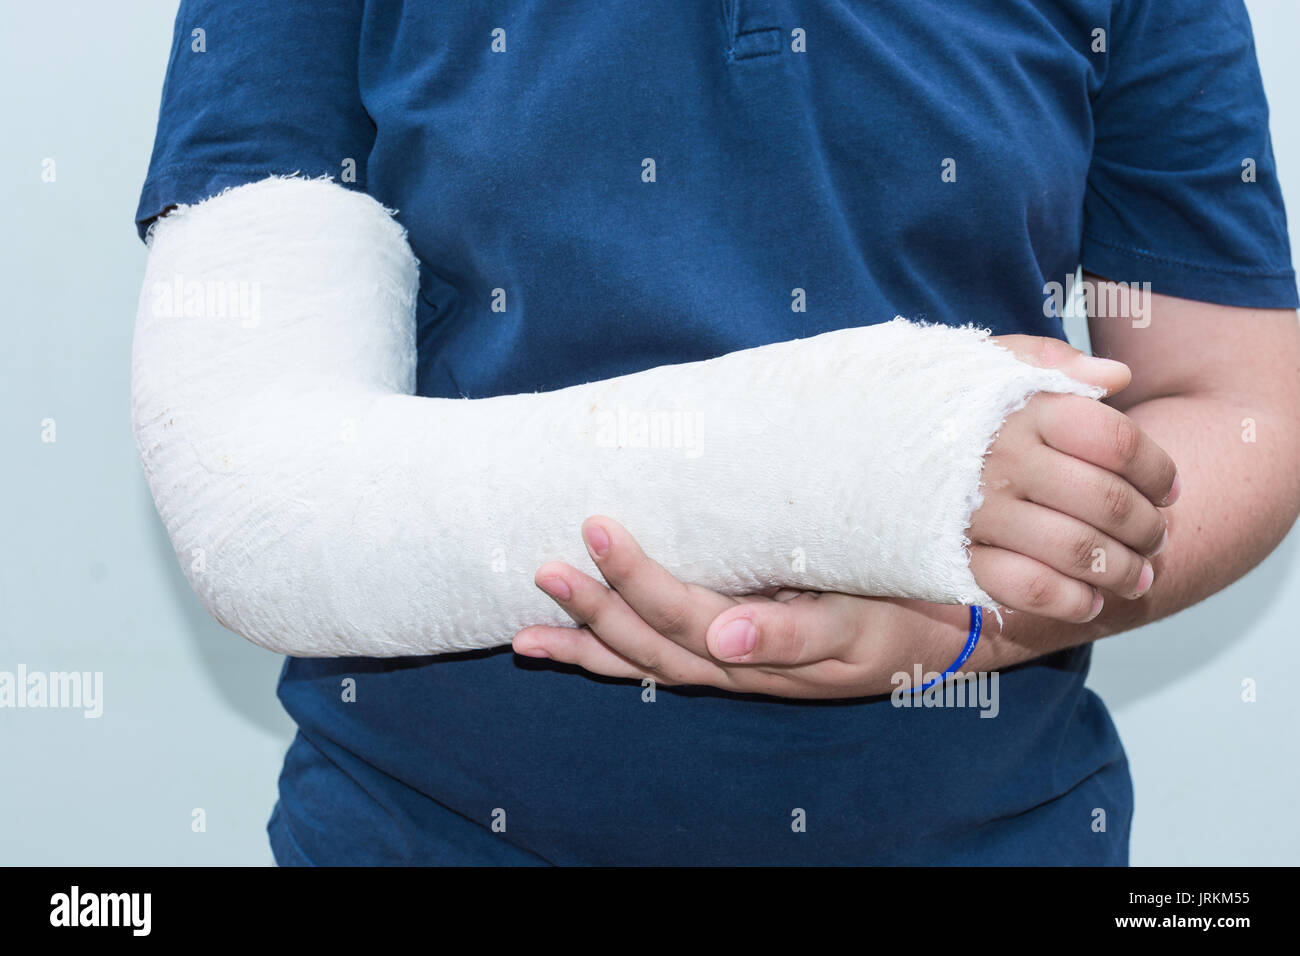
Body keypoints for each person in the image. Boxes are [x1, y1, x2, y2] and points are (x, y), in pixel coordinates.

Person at [134, 0, 1300, 865]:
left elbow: (1242, 400)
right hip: (428, 831)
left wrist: (961, 623)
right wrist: (860, 461)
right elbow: (253, 488)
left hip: (987, 831)